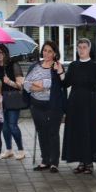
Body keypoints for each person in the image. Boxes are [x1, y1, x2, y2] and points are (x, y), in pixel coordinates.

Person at [61, 38, 96, 174]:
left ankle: (89, 162)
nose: (81, 50)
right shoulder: (73, 65)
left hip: (91, 103)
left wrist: (94, 95)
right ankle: (81, 161)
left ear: (89, 49)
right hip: (75, 103)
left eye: (84, 47)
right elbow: (66, 83)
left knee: (90, 131)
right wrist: (60, 72)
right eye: (79, 47)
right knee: (78, 131)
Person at [24, 40, 67, 173]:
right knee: (41, 132)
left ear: (54, 53)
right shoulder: (35, 66)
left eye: (49, 51)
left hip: (53, 105)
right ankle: (45, 160)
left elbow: (50, 84)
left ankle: (54, 162)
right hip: (36, 105)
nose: (46, 53)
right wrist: (39, 86)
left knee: (53, 133)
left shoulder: (57, 67)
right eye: (44, 50)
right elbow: (26, 85)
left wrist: (36, 84)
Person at [0, 44, 25, 160]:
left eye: (1, 53)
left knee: (12, 125)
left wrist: (9, 82)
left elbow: (20, 85)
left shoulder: (13, 64)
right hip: (0, 100)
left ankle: (21, 149)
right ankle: (9, 149)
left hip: (13, 99)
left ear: (6, 53)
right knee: (5, 127)